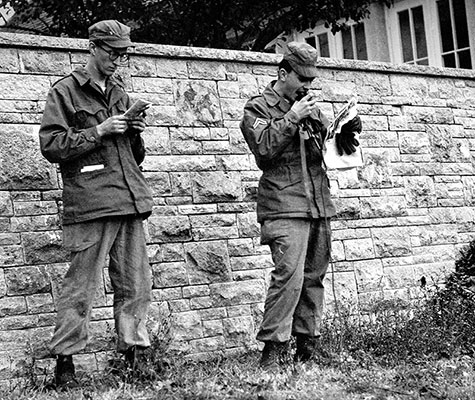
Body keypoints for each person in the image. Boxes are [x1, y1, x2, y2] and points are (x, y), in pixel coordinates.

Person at [39, 20, 154, 388]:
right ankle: (65, 366)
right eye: (113, 52)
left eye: (123, 54)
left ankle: (133, 359)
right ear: (92, 47)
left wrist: (134, 132)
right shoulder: (65, 92)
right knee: (81, 288)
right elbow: (52, 146)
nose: (118, 60)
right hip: (90, 204)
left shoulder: (119, 92)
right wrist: (99, 131)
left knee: (136, 285)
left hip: (129, 200)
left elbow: (134, 157)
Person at [240, 42, 362, 371]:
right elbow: (264, 150)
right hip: (283, 205)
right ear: (283, 73)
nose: (308, 86)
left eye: (311, 80)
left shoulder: (311, 108)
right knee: (288, 278)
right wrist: (292, 118)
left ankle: (308, 345)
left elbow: (329, 155)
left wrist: (344, 135)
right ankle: (273, 351)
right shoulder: (258, 108)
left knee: (313, 278)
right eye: (302, 79)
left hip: (318, 204)